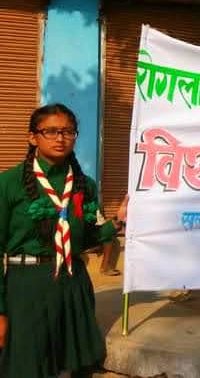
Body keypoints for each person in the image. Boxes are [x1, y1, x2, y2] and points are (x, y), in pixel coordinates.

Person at [0, 103, 126, 377]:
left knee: (73, 366)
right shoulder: (8, 183)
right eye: (51, 131)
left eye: (68, 132)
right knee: (28, 365)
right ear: (33, 137)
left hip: (73, 283)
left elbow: (87, 238)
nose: (60, 138)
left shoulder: (84, 184)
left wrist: (118, 221)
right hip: (27, 286)